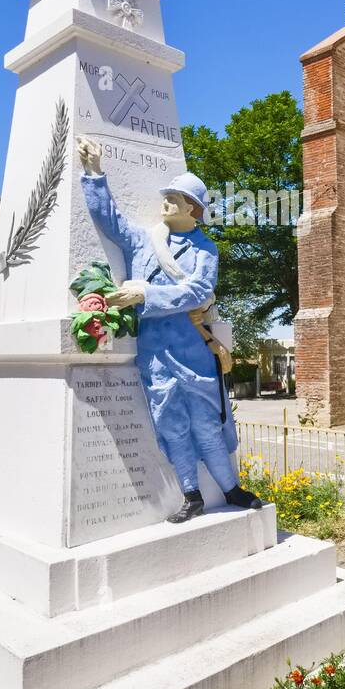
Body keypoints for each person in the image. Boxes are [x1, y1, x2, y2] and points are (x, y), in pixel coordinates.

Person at [76, 136, 262, 524]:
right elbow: (109, 220)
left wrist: (145, 294)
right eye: (166, 196)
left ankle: (231, 489)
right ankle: (190, 494)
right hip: (155, 354)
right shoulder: (145, 240)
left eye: (174, 198)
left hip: (192, 351)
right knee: (172, 426)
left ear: (192, 208)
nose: (166, 201)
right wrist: (94, 173)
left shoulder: (205, 250)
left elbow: (198, 291)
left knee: (206, 424)